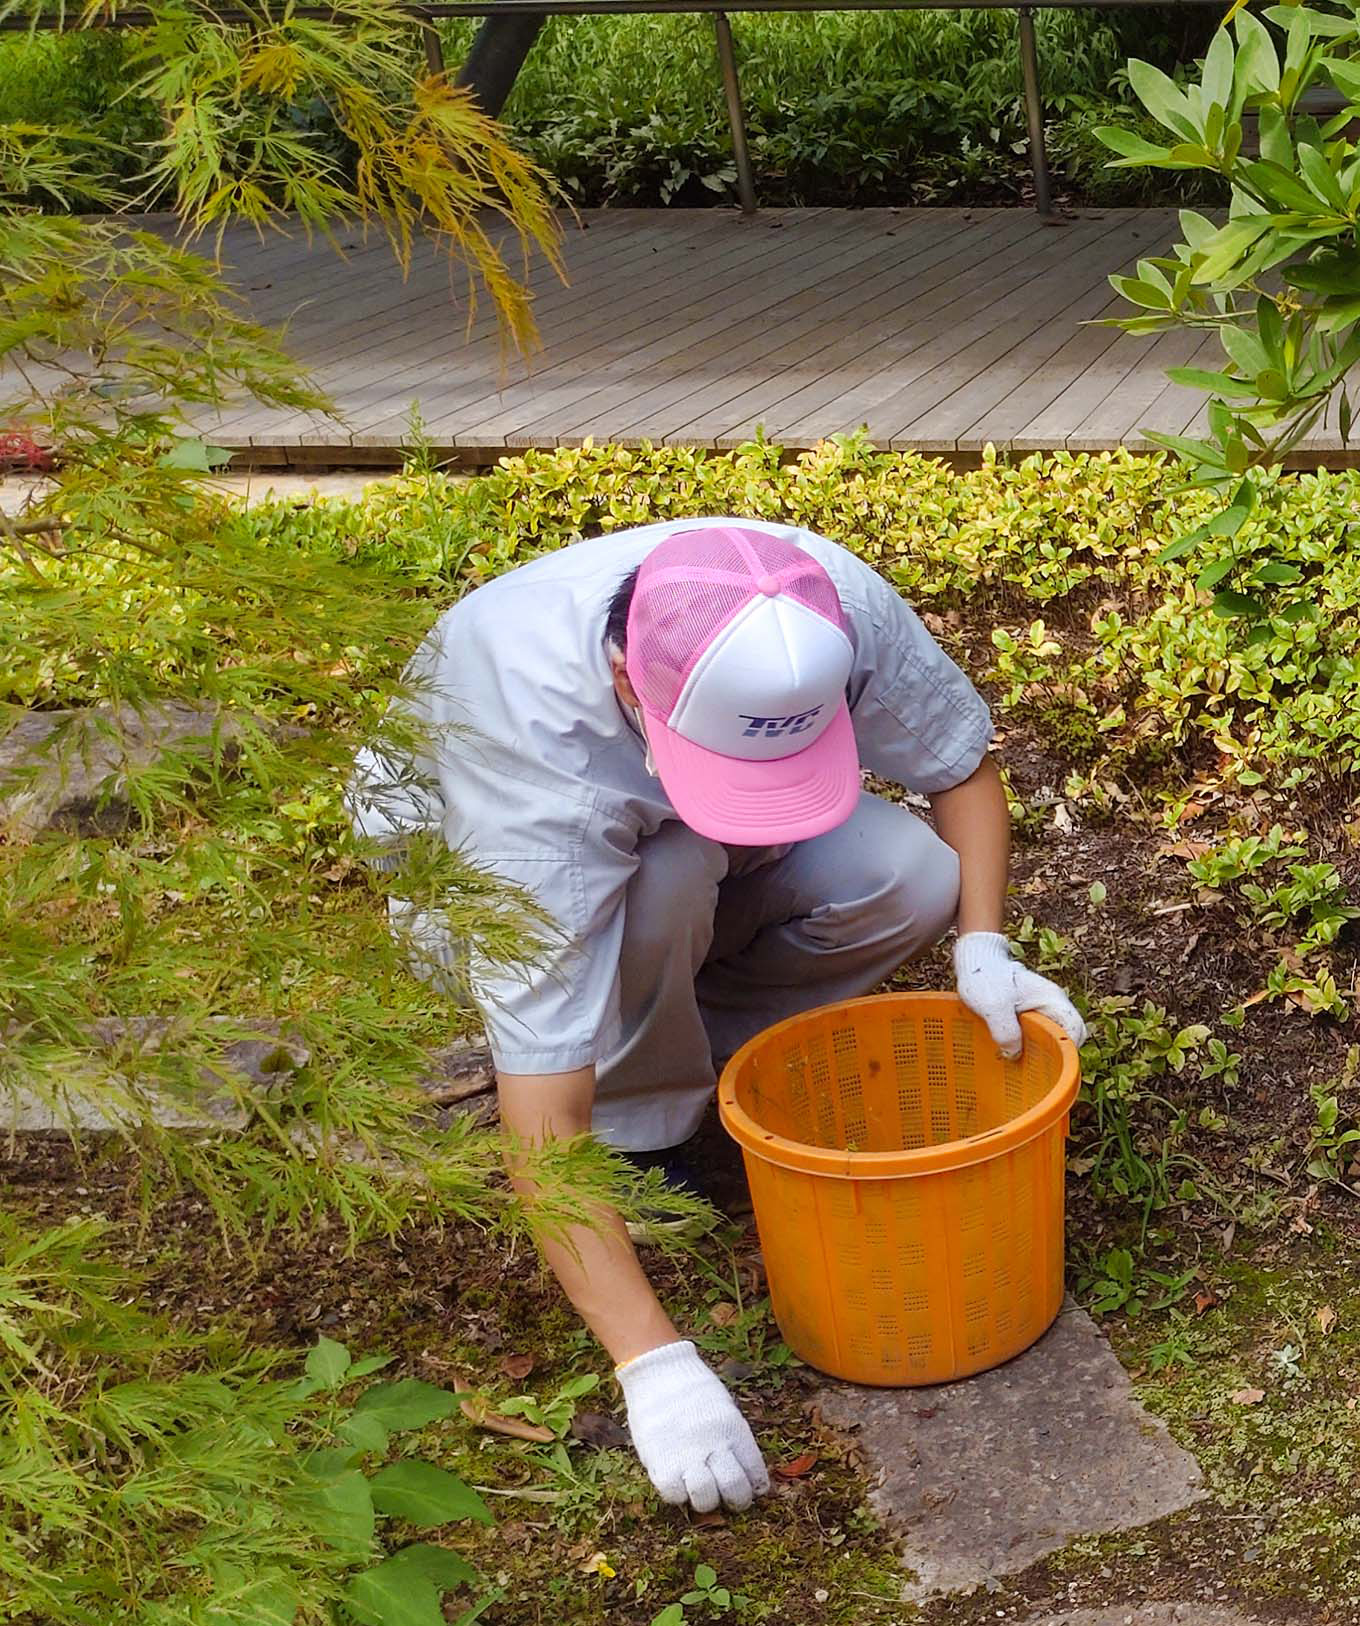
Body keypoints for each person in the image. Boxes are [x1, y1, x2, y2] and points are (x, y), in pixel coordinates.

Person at [356, 521, 1086, 1516]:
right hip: (478, 881)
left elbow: (959, 770)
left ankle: (702, 1053)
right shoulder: (531, 763)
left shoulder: (821, 600)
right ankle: (646, 1125)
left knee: (915, 873)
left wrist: (983, 946)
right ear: (628, 682)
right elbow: (542, 1128)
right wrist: (654, 1365)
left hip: (690, 823)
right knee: (668, 873)